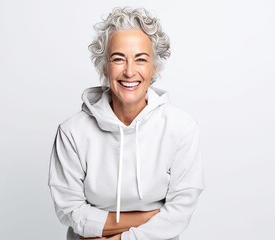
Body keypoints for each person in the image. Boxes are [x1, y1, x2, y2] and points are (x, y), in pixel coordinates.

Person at [48, 7, 205, 240]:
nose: (130, 71)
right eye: (118, 59)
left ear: (154, 67)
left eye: (140, 59)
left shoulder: (181, 128)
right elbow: (69, 210)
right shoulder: (72, 132)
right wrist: (148, 216)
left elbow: (181, 210)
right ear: (104, 66)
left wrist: (120, 238)